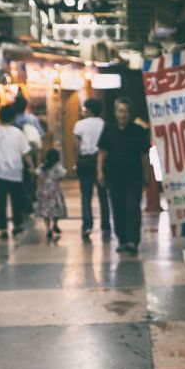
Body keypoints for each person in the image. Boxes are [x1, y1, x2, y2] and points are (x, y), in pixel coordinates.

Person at [97, 97, 151, 254]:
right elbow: (101, 152)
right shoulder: (108, 129)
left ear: (130, 113)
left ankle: (133, 241)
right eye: (120, 111)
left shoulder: (138, 131)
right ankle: (122, 240)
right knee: (118, 208)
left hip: (134, 177)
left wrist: (146, 176)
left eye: (126, 111)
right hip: (113, 177)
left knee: (133, 208)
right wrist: (100, 172)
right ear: (115, 112)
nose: (123, 115)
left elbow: (144, 156)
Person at [0, 104, 33, 240]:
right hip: (15, 172)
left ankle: (3, 229)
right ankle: (17, 225)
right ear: (13, 117)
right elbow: (26, 152)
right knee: (17, 199)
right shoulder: (18, 133)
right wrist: (32, 167)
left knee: (1, 201)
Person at [72, 98, 110, 242]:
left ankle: (87, 226)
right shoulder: (104, 125)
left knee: (86, 197)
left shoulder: (79, 125)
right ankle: (106, 226)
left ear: (88, 109)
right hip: (101, 162)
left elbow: (77, 146)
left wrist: (75, 163)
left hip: (85, 162)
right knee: (103, 196)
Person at [35, 148, 67, 243]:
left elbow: (37, 174)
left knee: (46, 211)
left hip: (45, 191)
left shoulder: (42, 167)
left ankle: (48, 229)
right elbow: (63, 175)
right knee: (56, 209)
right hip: (55, 192)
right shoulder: (58, 167)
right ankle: (55, 224)